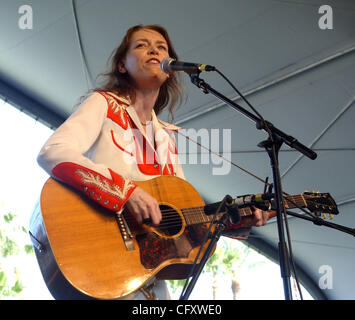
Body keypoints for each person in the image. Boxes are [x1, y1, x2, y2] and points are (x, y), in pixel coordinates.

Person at [37, 24, 271, 300]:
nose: (154, 50)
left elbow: (184, 218)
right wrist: (126, 193)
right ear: (122, 65)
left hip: (147, 278)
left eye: (161, 47)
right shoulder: (104, 104)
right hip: (102, 260)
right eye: (141, 45)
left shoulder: (167, 137)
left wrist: (239, 220)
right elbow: (54, 151)